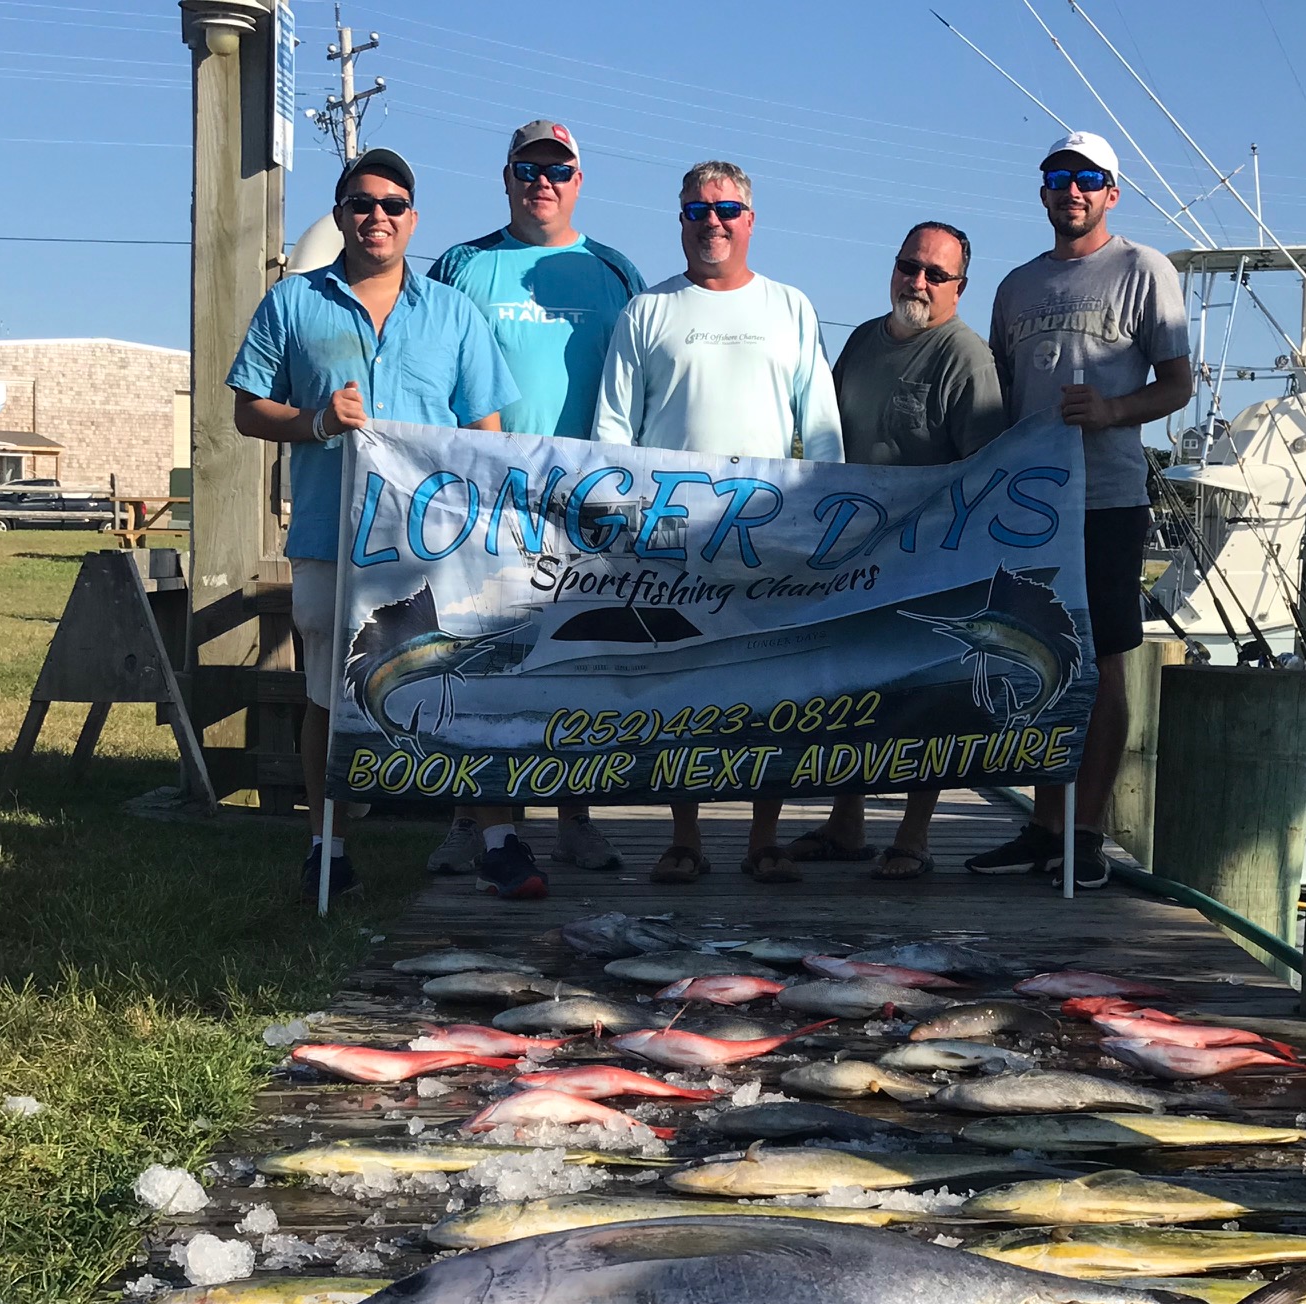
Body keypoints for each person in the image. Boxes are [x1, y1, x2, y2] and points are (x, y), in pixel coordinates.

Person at [227, 147, 534, 903]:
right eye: (362, 203)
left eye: (393, 205)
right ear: (339, 216)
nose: (377, 217)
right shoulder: (293, 303)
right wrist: (316, 419)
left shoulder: (453, 313)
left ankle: (497, 841)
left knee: (463, 688)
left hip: (435, 547)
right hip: (332, 535)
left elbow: (484, 434)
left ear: (413, 220)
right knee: (330, 695)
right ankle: (327, 848)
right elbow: (244, 409)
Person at [594, 159, 844, 885]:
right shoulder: (646, 310)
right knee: (680, 687)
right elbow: (613, 428)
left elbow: (820, 428)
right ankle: (685, 837)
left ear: (751, 220)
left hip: (769, 533)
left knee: (770, 690)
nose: (713, 223)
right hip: (669, 539)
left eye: (727, 210)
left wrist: (823, 521)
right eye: (698, 210)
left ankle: (764, 839)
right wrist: (626, 527)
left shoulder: (791, 307)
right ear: (680, 219)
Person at [970, 130, 1193, 888]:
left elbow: (1178, 385)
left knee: (1100, 665)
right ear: (1042, 192)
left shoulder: (1143, 268)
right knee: (1036, 662)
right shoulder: (1014, 286)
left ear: (1112, 192)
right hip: (1026, 507)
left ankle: (1087, 831)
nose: (1072, 189)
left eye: (1089, 178)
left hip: (1106, 499)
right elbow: (995, 399)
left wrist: (1112, 409)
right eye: (1058, 175)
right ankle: (1043, 824)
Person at [425, 119, 646, 880]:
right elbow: (430, 369)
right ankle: (470, 816)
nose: (541, 182)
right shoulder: (463, 264)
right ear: (507, 175)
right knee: (477, 661)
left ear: (580, 180)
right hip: (484, 504)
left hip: (583, 506)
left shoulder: (614, 271)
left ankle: (574, 818)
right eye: (528, 168)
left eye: (558, 170)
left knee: (575, 661)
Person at [782, 221, 1007, 881]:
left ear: (960, 288)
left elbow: (986, 473)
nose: (919, 282)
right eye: (910, 266)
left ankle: (913, 836)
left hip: (934, 560)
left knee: (924, 700)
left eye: (937, 274)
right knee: (851, 691)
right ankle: (845, 822)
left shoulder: (967, 358)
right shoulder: (860, 341)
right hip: (852, 558)